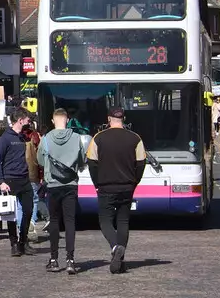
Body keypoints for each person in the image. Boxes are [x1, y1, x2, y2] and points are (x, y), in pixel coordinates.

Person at [86, 108, 146, 274]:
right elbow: (141, 163)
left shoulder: (98, 138)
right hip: (127, 186)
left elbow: (91, 162)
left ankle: (115, 247)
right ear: (124, 119)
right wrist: (135, 182)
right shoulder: (135, 138)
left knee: (105, 219)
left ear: (109, 119)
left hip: (105, 186)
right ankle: (120, 259)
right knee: (123, 221)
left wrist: (96, 183)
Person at [36, 108, 86, 274]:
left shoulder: (46, 139)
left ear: (53, 120)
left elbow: (40, 161)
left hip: (53, 184)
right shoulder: (77, 138)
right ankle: (71, 260)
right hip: (71, 183)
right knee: (70, 221)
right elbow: (82, 160)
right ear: (67, 119)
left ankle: (54, 259)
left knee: (55, 221)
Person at [0, 113, 35, 257]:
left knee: (28, 210)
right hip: (10, 180)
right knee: (11, 214)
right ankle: (14, 243)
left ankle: (23, 239)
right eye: (27, 120)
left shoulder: (22, 137)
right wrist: (1, 181)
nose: (29, 122)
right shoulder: (5, 138)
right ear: (20, 120)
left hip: (24, 179)